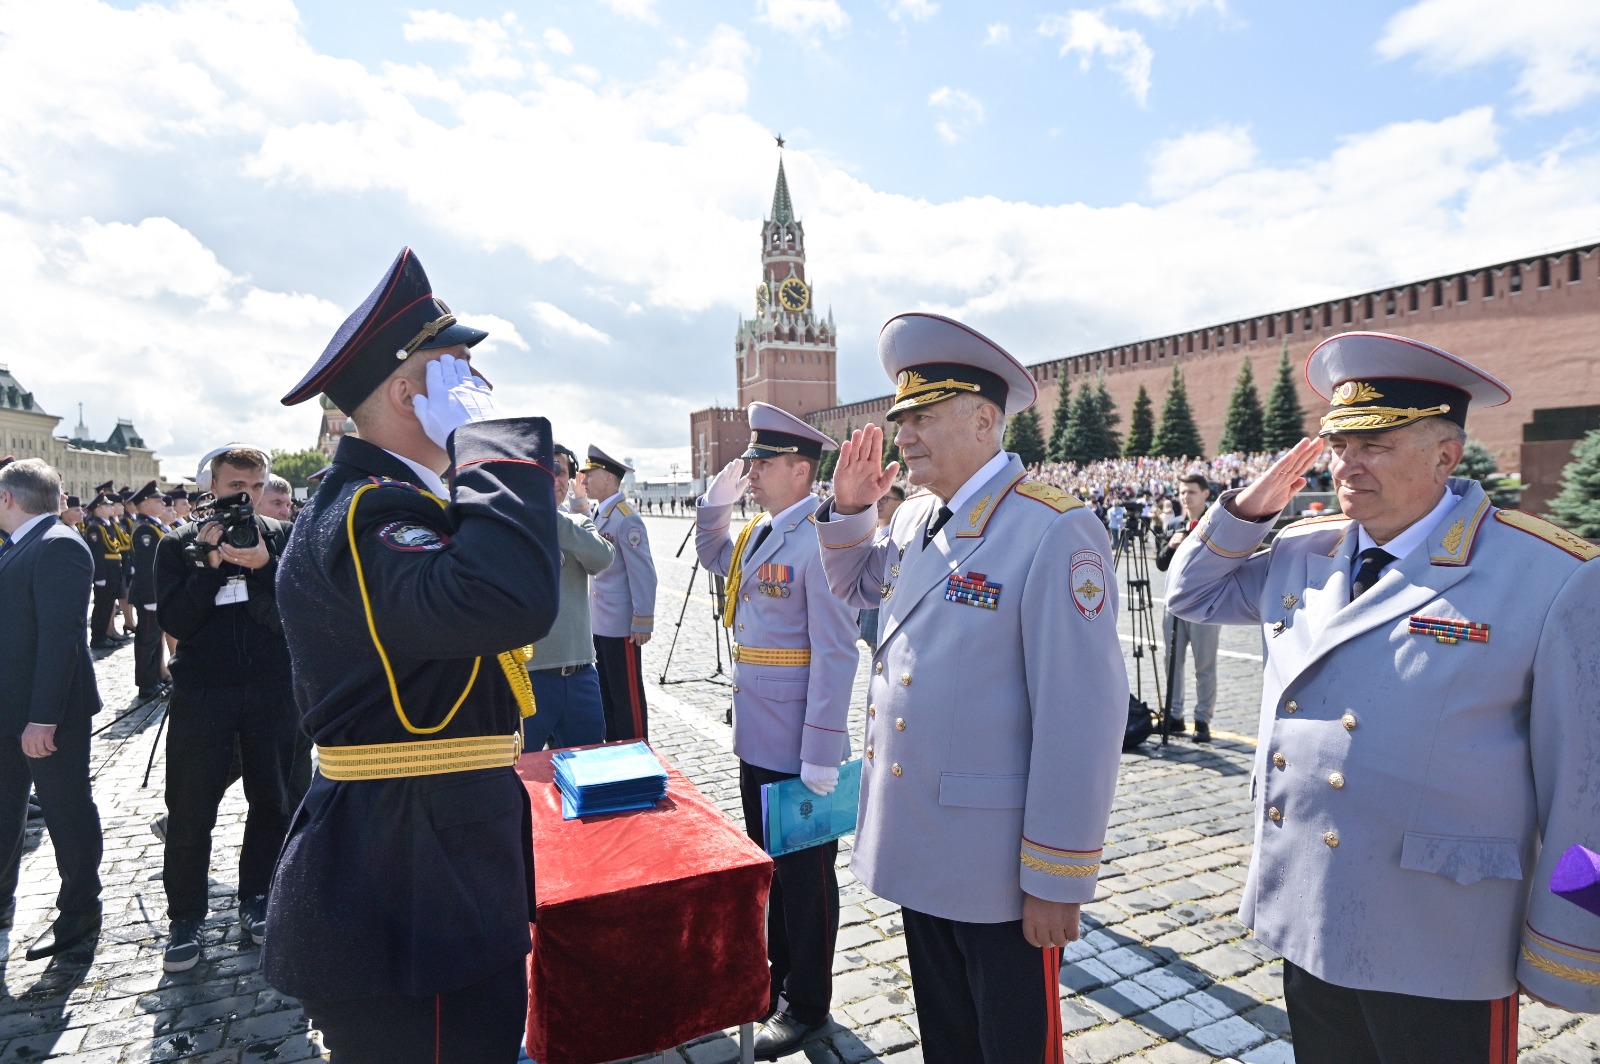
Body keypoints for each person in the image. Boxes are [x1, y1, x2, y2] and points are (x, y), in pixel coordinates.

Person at [1166, 331, 1600, 1060]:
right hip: (1308, 906)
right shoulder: (1304, 550)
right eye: (1337, 444)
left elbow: (1585, 785)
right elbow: (1192, 593)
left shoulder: (1548, 574)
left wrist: (1570, 940)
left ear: (1445, 455)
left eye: (1376, 444)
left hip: (1441, 931)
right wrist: (1245, 510)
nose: (1346, 464)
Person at [264, 247, 560, 1064]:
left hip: (434, 849)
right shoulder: (367, 513)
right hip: (409, 875)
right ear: (407, 393)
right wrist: (483, 441)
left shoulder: (402, 504)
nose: (481, 389)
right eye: (457, 370)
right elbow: (509, 599)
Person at [816, 312, 1128, 1062]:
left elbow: (1080, 718)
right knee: (949, 1040)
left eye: (921, 418)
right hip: (923, 841)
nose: (904, 436)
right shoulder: (919, 516)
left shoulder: (1053, 530)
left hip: (997, 866)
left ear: (985, 419)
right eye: (901, 420)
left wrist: (1057, 876)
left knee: (1013, 1044)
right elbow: (858, 587)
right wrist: (853, 509)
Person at [695, 403, 859, 1056]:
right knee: (772, 870)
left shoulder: (821, 542)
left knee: (807, 881)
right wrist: (716, 505)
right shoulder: (764, 533)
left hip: (799, 744)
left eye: (761, 464)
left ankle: (808, 1003)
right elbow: (715, 554)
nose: (751, 473)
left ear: (800, 469)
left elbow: (837, 652)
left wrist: (821, 751)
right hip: (759, 736)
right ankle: (776, 977)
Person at [154, 445, 295, 971]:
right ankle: (185, 917)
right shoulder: (177, 543)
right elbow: (176, 622)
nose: (248, 497)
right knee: (190, 808)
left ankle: (257, 899)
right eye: (237, 487)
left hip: (271, 688)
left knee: (273, 800)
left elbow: (300, 609)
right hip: (203, 692)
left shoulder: (280, 535)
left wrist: (263, 567)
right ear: (213, 486)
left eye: (257, 487)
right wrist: (210, 568)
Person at [0, 458, 104, 959]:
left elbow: (63, 639)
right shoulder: (20, 546)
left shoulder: (57, 545)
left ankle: (81, 907)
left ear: (7, 498)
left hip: (47, 715)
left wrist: (42, 717)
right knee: (4, 811)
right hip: (9, 710)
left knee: (65, 811)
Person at [522, 444, 614, 752]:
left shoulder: (577, 524)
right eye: (544, 471)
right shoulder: (513, 528)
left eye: (560, 471)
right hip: (530, 680)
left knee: (589, 774)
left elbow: (602, 558)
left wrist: (553, 520)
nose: (554, 479)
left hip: (580, 678)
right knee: (525, 780)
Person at [580, 445, 656, 741]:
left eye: (590, 474)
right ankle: (614, 745)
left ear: (609, 479)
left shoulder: (626, 519)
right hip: (600, 622)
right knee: (607, 694)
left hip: (621, 624)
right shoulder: (600, 514)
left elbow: (643, 573)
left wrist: (643, 619)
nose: (584, 480)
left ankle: (637, 748)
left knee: (627, 697)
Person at [1154, 473, 1219, 741]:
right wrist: (1170, 546)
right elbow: (1160, 563)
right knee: (1173, 662)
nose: (1185, 496)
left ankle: (1202, 720)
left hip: (1205, 604)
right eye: (1182, 492)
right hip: (1174, 605)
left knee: (1204, 666)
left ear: (1205, 494)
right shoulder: (1176, 525)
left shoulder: (1216, 525)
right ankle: (1175, 714)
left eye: (1191, 491)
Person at [126, 480, 171, 698]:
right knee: (146, 639)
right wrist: (153, 596)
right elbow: (147, 568)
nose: (163, 502)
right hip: (149, 593)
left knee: (155, 638)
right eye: (157, 499)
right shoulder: (145, 529)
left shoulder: (156, 525)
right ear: (144, 504)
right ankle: (146, 683)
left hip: (157, 592)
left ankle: (154, 677)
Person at [856, 484, 905, 648]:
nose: (878, 503)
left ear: (900, 504)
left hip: (891, 619)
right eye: (876, 499)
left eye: (884, 498)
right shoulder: (870, 534)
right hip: (868, 617)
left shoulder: (904, 536)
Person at [83, 488, 129, 648]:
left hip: (113, 571)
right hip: (105, 573)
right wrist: (100, 577)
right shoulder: (95, 528)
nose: (112, 508)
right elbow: (97, 554)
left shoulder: (108, 525)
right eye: (108, 506)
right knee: (102, 607)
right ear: (100, 509)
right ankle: (97, 638)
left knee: (109, 605)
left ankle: (104, 635)